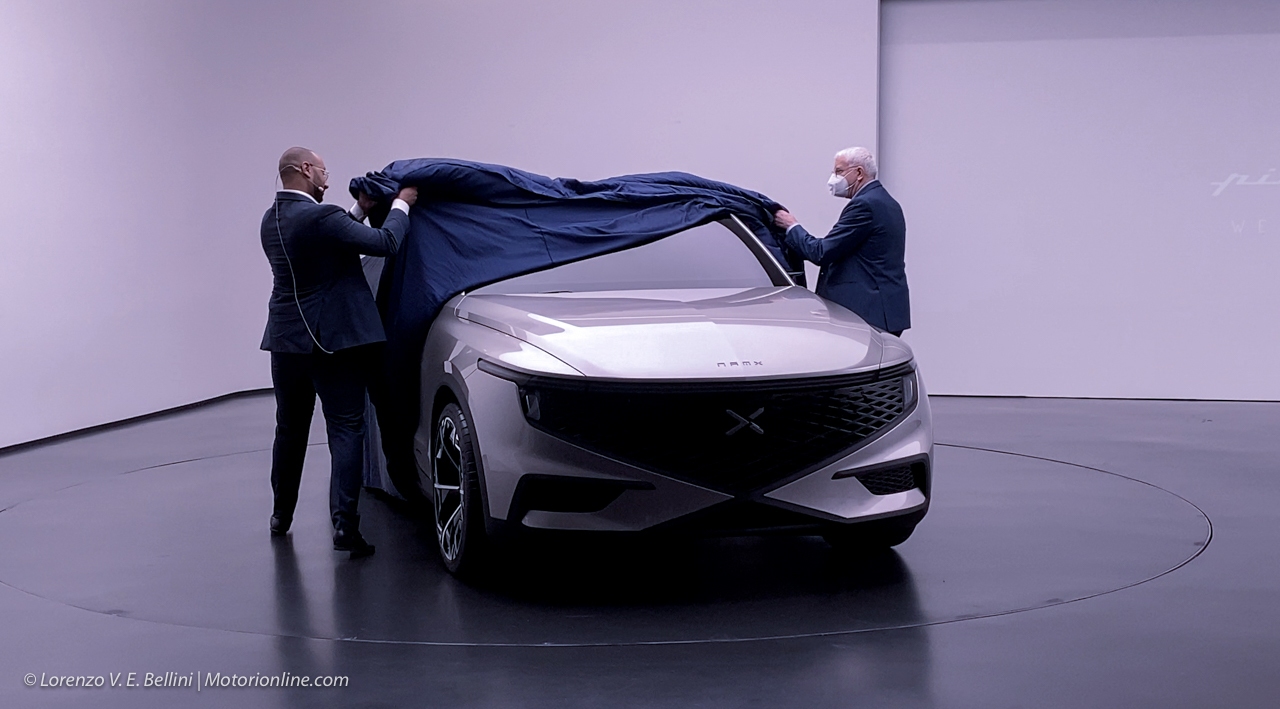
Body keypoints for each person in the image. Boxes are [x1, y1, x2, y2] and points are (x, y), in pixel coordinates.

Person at [261, 146, 418, 558]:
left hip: (286, 342)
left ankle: (280, 515)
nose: (326, 179)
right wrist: (402, 204)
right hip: (334, 342)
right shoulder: (321, 216)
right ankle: (345, 525)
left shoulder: (271, 219)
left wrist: (359, 210)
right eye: (323, 171)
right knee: (346, 429)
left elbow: (325, 242)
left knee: (289, 429)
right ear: (306, 169)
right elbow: (386, 242)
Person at [773, 147, 910, 336]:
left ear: (859, 173)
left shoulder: (865, 205)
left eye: (839, 171)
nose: (834, 178)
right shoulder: (886, 202)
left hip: (868, 313)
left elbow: (822, 252)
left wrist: (791, 226)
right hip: (885, 310)